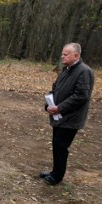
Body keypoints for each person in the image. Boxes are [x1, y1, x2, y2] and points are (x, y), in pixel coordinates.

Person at [41, 43, 94, 185]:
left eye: (66, 54)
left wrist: (60, 108)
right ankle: (54, 172)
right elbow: (55, 88)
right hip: (59, 115)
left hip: (71, 118)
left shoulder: (84, 71)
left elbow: (81, 96)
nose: (62, 56)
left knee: (61, 145)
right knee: (57, 144)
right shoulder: (66, 70)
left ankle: (57, 176)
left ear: (76, 55)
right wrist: (49, 104)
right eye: (63, 54)